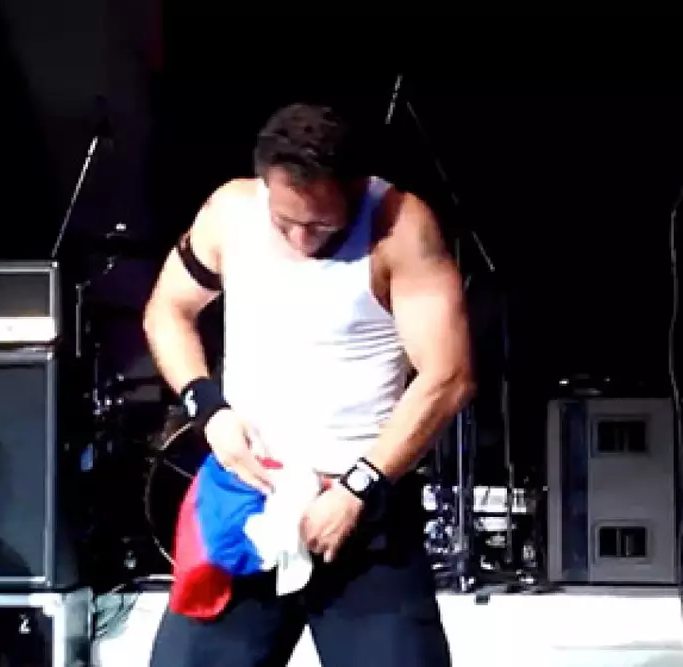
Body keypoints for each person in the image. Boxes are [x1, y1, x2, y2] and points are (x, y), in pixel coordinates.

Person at [143, 103, 473, 667]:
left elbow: (448, 375)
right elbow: (168, 310)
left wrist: (357, 489)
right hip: (249, 504)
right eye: (284, 221)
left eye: (320, 225)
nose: (300, 238)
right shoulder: (231, 212)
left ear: (356, 187)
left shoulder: (399, 226)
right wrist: (209, 408)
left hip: (358, 511)